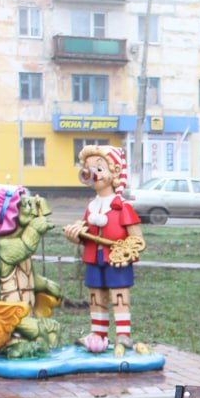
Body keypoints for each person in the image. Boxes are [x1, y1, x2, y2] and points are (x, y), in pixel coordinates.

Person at [61, 145, 151, 357]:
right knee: (96, 296)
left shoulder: (122, 206)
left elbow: (136, 238)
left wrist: (126, 250)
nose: (93, 174)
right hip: (94, 258)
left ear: (115, 172)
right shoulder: (91, 206)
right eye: (89, 168)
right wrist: (76, 235)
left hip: (117, 260)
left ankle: (123, 335)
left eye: (99, 168)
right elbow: (84, 231)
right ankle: (98, 335)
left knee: (119, 295)